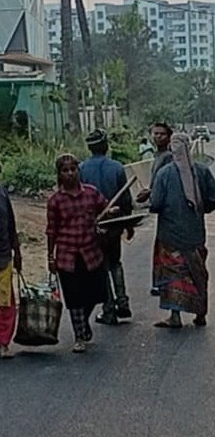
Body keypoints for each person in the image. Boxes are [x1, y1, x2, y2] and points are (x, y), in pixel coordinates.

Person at [149, 133, 215, 329]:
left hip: (170, 236)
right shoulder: (201, 171)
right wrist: (200, 209)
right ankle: (200, 313)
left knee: (174, 273)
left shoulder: (164, 174)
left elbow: (155, 203)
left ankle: (175, 315)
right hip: (195, 233)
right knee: (197, 271)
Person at [47, 154, 118, 353]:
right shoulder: (55, 201)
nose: (70, 173)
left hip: (91, 253)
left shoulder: (92, 193)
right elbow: (51, 231)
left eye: (73, 169)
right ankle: (79, 336)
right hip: (67, 256)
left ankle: (83, 322)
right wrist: (50, 257)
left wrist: (111, 213)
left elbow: (105, 210)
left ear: (79, 171)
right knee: (74, 298)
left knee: (97, 293)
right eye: (65, 170)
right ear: (60, 174)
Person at [79, 129, 134, 325]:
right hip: (114, 225)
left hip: (93, 226)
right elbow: (126, 200)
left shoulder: (82, 169)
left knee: (101, 267)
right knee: (115, 263)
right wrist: (128, 224)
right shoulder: (117, 168)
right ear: (106, 146)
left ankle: (109, 309)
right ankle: (122, 301)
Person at [0, 180, 22, 359]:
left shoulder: (3, 194)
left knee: (4, 301)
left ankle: (2, 343)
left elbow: (11, 225)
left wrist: (17, 251)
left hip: (3, 257)